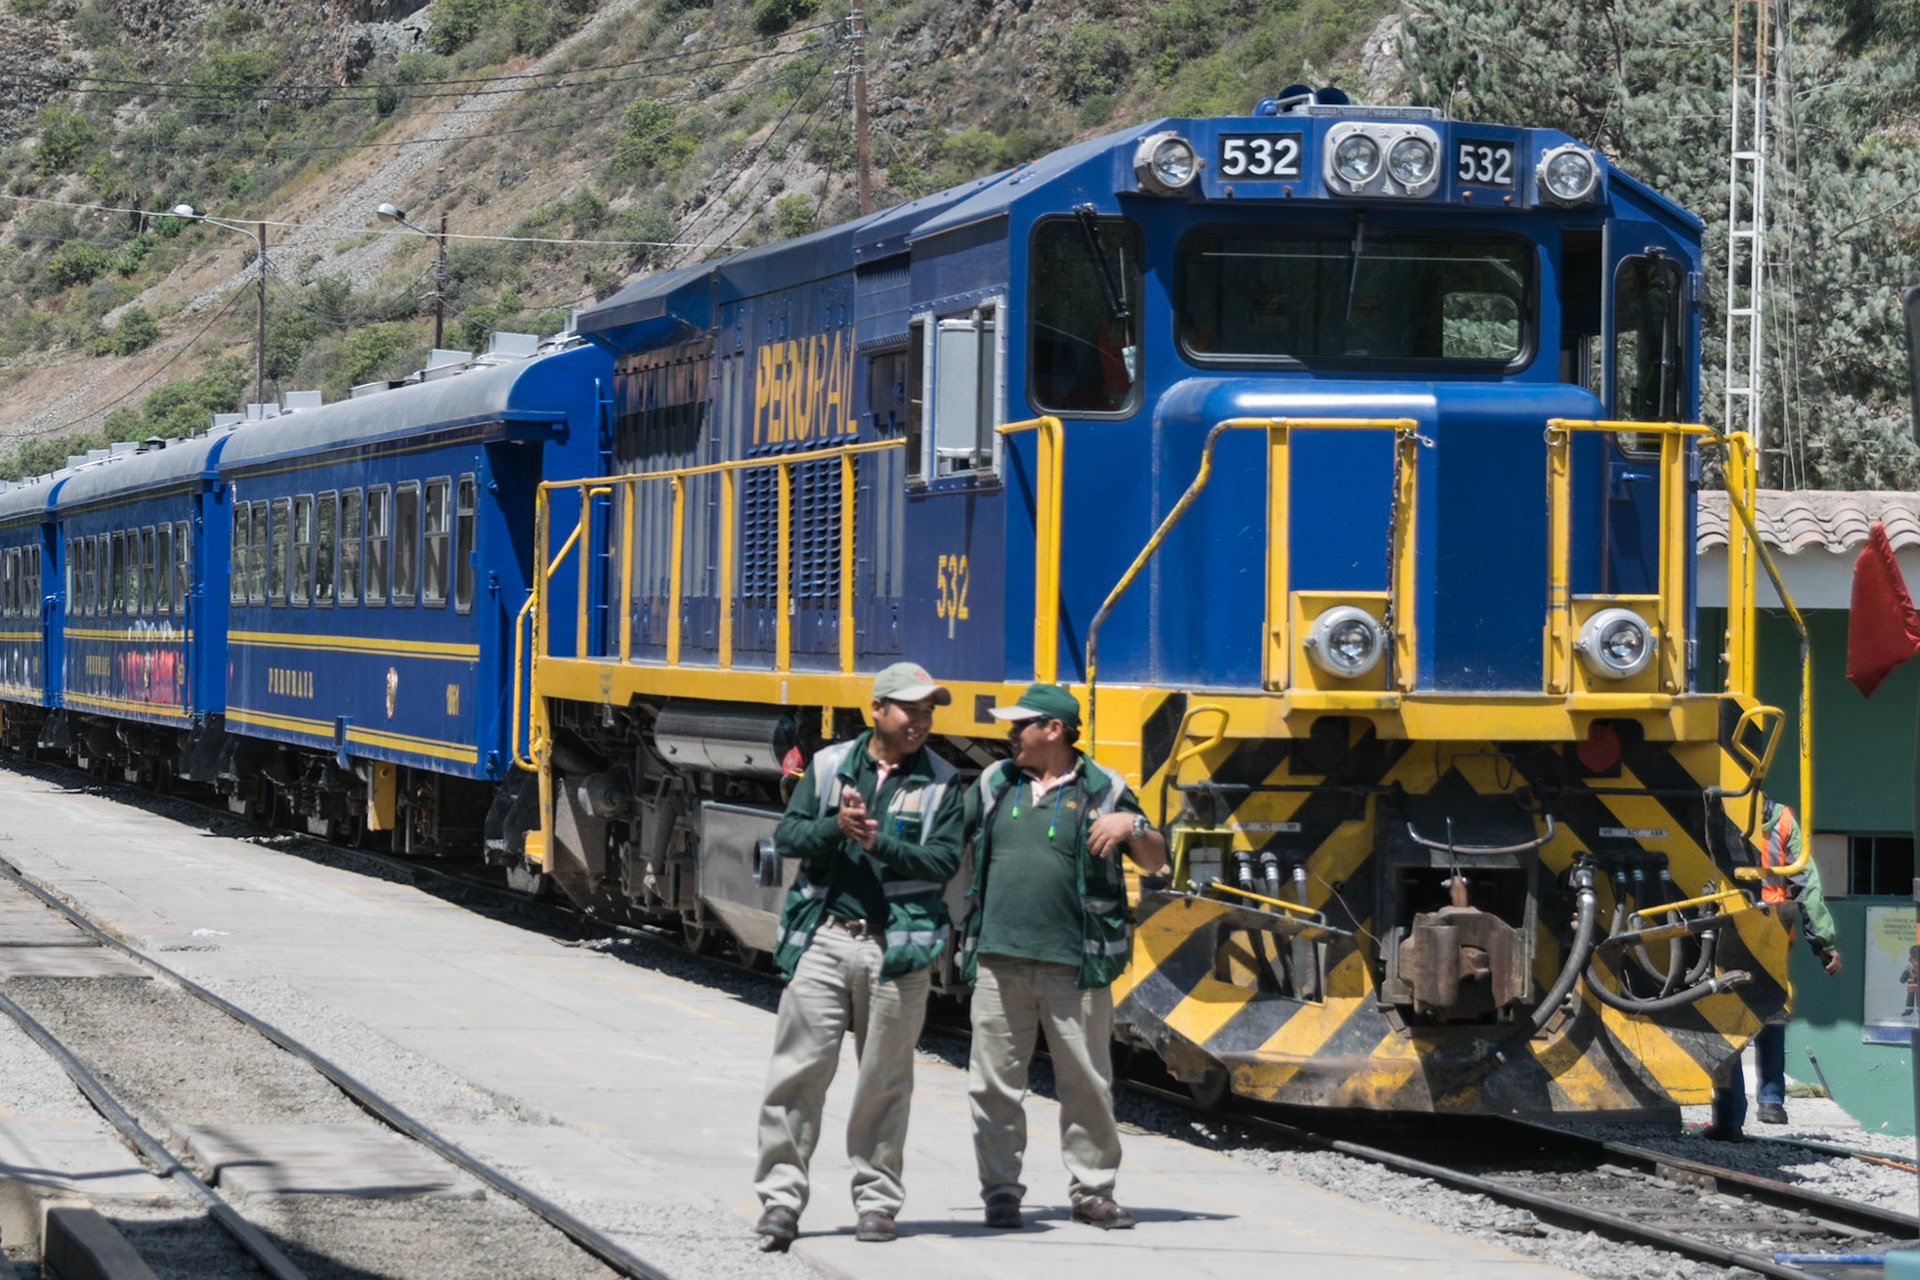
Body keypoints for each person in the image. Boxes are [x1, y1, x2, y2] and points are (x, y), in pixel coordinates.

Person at [752, 662, 965, 1250]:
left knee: (885, 1082)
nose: (921, 721)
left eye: (929, 712)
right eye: (911, 710)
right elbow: (789, 838)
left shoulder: (945, 784)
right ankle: (780, 1201)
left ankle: (876, 1203)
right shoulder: (826, 767)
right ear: (877, 710)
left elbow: (944, 863)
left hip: (895, 951)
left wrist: (878, 841)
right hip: (826, 938)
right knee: (796, 1074)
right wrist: (834, 828)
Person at [959, 682, 1168, 1231]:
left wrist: (1135, 826)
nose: (1008, 735)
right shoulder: (993, 783)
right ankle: (1001, 1190)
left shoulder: (1104, 788)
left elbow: (1155, 861)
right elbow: (944, 842)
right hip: (999, 959)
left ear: (1053, 730)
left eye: (1018, 725)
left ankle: (1093, 1191)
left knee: (1087, 1082)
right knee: (993, 1083)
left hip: (1075, 964)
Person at [1707, 796, 1841, 1139]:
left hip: (1724, 925)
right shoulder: (1780, 818)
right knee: (1770, 1012)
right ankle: (1771, 1102)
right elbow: (1804, 881)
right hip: (1772, 928)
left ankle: (1728, 1116)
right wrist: (1822, 943)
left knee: (1726, 1020)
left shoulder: (1709, 809)